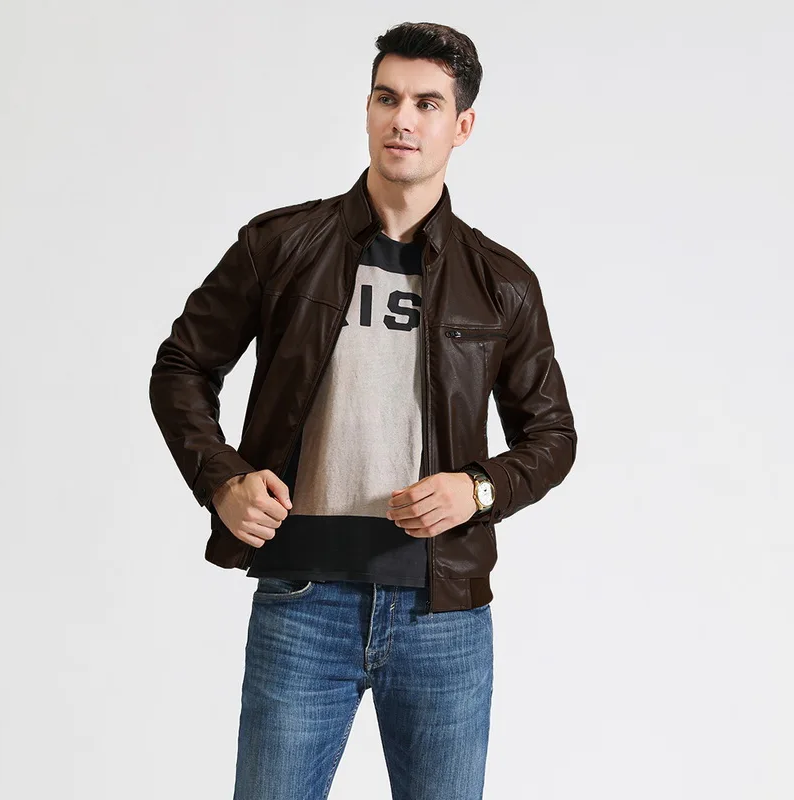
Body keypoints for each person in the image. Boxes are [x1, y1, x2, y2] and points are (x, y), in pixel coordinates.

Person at [149, 20, 577, 800]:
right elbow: (182, 366)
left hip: (442, 614)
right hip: (302, 603)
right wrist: (221, 480)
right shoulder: (282, 246)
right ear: (369, 108)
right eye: (387, 98)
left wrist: (477, 489)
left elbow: (551, 435)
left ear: (462, 125)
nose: (402, 120)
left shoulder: (500, 281)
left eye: (426, 103)